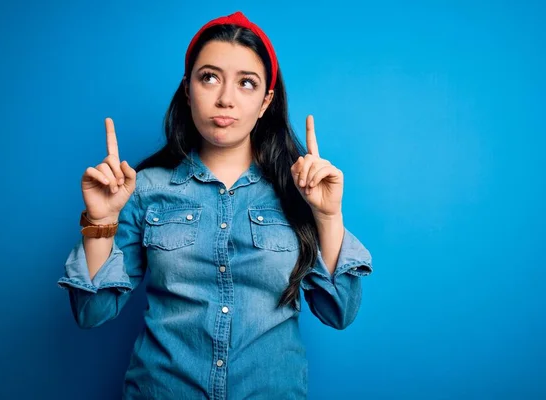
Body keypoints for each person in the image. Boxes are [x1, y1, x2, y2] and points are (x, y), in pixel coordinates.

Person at [57, 10, 373, 400]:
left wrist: (327, 216)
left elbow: (338, 311)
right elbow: (92, 312)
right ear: (188, 89)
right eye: (209, 77)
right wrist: (100, 221)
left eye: (246, 83)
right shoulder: (143, 188)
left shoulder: (301, 190)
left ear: (265, 102)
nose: (225, 98)